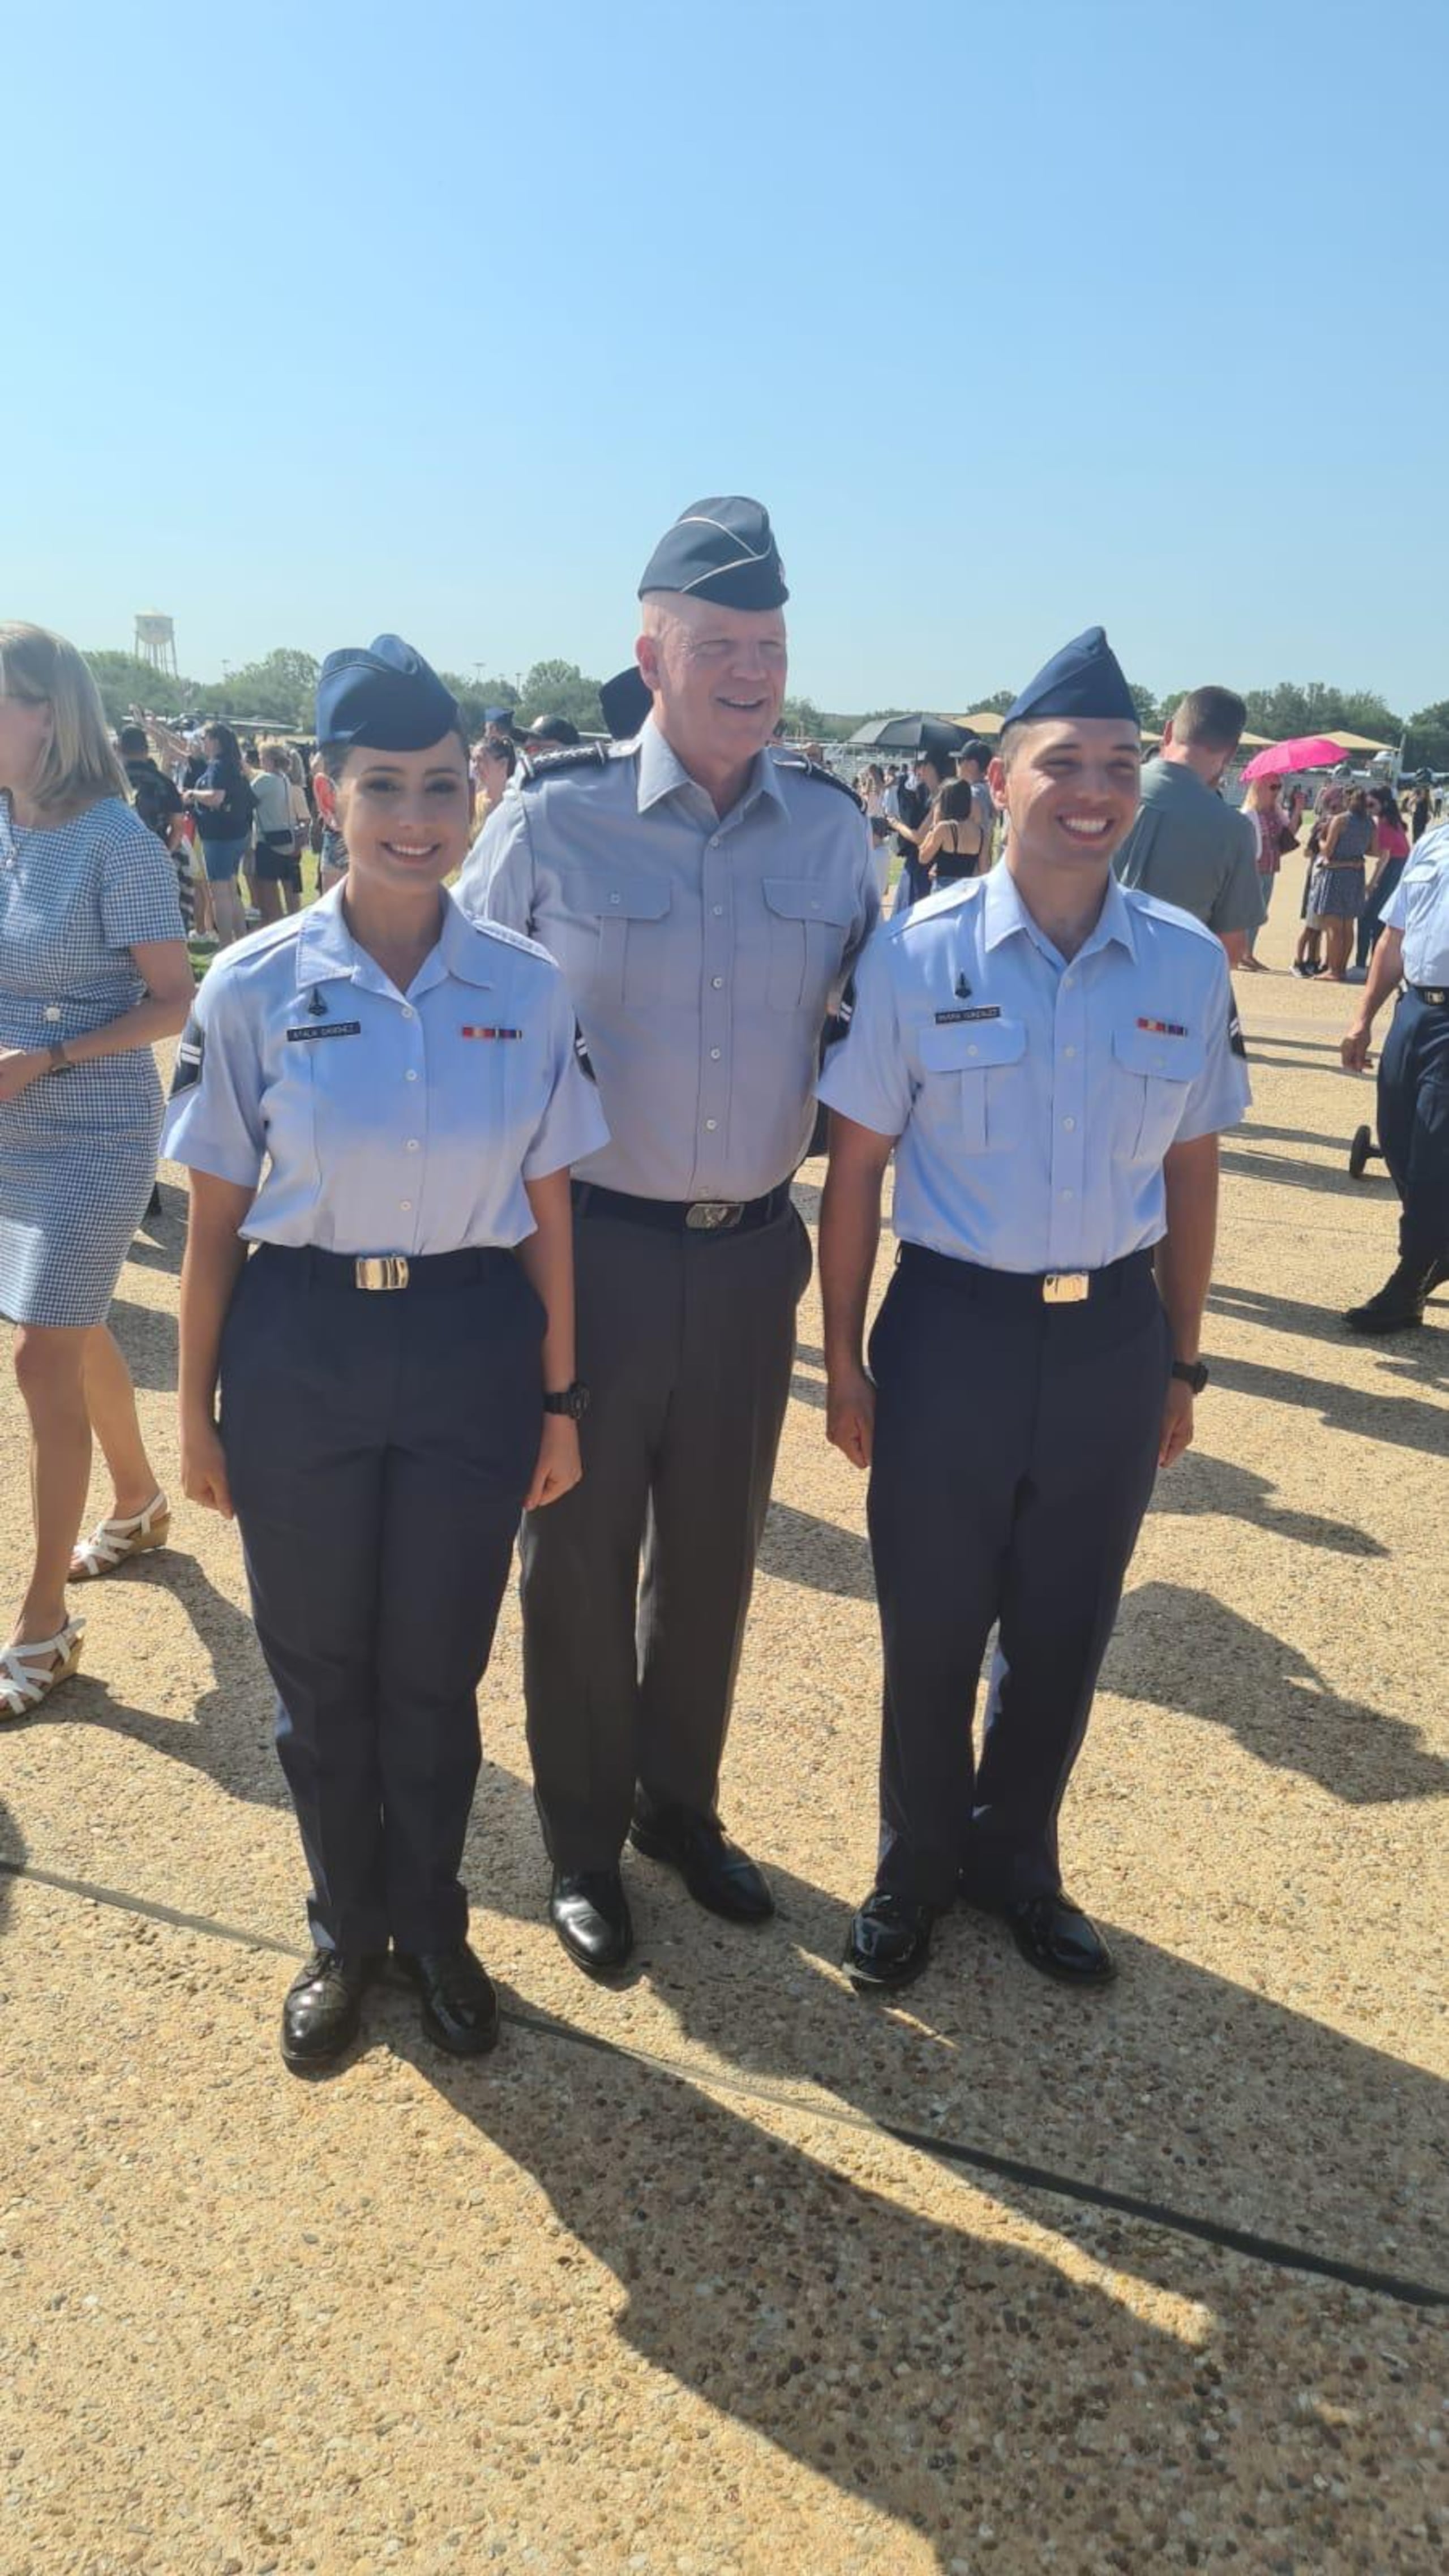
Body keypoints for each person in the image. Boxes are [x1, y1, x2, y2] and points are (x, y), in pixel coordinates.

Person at [163, 636, 607, 2070]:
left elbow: (550, 1212)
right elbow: (214, 1228)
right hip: (299, 1346)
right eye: (380, 787)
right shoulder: (249, 985)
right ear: (325, 791)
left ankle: (434, 1924)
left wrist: (559, 1395)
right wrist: (194, 1420)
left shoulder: (530, 987)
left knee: (433, 1669)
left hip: (473, 1343)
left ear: (473, 789)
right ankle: (343, 1931)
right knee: (318, 1673)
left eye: (437, 784)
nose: (415, 815)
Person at [460, 495, 879, 1978]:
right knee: (576, 1549)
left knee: (714, 1553)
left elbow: (872, 1039)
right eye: (719, 644)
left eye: (767, 644)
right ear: (652, 652)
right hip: (591, 1249)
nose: (750, 671)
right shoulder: (549, 816)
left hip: (753, 1244)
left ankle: (675, 1803)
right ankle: (581, 1840)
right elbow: (460, 1000)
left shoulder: (834, 834)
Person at [817, 627, 1249, 1994]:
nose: (1093, 787)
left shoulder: (1182, 965)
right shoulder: (914, 954)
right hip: (951, 1333)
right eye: (1061, 761)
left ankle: (1018, 1862)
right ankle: (913, 1865)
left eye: (1117, 763)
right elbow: (855, 1171)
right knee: (931, 1624)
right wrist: (836, 1356)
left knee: (1064, 1624)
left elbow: (1191, 1172)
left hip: (1110, 1339)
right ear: (998, 780)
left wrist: (1180, 1359)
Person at [0, 625, 191, 1722]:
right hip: (11, 1115)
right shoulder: (4, 825)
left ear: (47, 715)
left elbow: (174, 999)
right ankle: (137, 1498)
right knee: (65, 1324)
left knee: (39, 1352)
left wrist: (50, 1055)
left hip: (94, 1122)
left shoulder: (113, 837)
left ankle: (42, 1622)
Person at [1340, 819, 1449, 1332]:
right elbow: (1394, 935)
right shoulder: (1434, 839)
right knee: (1398, 1137)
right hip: (1415, 1009)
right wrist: (1363, 1019)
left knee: (1435, 1149)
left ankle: (1410, 1280)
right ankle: (1436, 1249)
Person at [1112, 688, 1264, 967]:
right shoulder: (1233, 830)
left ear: (1168, 731)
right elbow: (1229, 951)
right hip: (1166, 994)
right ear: (1231, 751)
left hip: (1074, 985)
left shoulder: (1105, 788)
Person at [118, 721, 194, 933]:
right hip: (154, 857)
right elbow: (178, 827)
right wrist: (166, 853)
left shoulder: (107, 782)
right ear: (146, 749)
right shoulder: (163, 782)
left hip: (115, 862)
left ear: (118, 748)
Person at [182, 722, 253, 946]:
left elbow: (216, 797)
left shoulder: (218, 767)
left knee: (220, 894)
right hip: (237, 834)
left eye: (204, 738)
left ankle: (225, 946)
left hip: (219, 837)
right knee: (232, 891)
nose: (202, 743)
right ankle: (240, 941)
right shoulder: (234, 765)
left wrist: (193, 793)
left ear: (215, 742)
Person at [1308, 786, 1373, 981]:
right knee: (1347, 926)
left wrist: (1320, 840)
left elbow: (1327, 851)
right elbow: (1374, 850)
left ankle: (1334, 970)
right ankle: (1342, 968)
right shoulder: (1369, 822)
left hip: (1336, 874)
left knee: (1334, 926)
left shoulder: (1341, 820)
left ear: (1347, 799)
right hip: (1356, 875)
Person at [1240, 774, 1293, 967]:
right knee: (1250, 913)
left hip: (1270, 868)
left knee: (1260, 913)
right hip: (1254, 869)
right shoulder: (1248, 814)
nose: (1277, 791)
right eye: (1273, 787)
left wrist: (1297, 809)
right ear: (1259, 788)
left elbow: (1291, 831)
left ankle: (1248, 952)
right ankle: (1243, 953)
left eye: (1279, 787)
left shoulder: (1275, 813)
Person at [247, 743, 303, 923]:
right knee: (291, 894)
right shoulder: (284, 779)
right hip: (288, 841)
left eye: (263, 758)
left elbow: (246, 798)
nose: (260, 762)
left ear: (271, 760)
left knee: (268, 901)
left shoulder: (265, 780)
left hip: (268, 845)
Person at [1358, 786, 1411, 969]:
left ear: (1384, 804)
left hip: (1393, 869)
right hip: (1399, 867)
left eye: (1372, 804)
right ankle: (1375, 964)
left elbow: (1386, 856)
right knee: (1379, 918)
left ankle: (1362, 964)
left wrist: (1372, 883)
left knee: (1367, 918)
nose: (1368, 808)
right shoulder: (1392, 820)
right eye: (1366, 804)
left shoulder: (1385, 822)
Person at [915, 778, 987, 886]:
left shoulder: (944, 828)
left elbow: (923, 857)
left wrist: (933, 827)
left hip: (945, 888)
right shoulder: (980, 832)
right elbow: (983, 868)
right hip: (967, 888)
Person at [955, 738, 996, 865]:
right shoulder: (990, 790)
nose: (958, 766)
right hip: (983, 862)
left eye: (960, 761)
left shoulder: (972, 794)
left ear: (972, 764)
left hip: (969, 865)